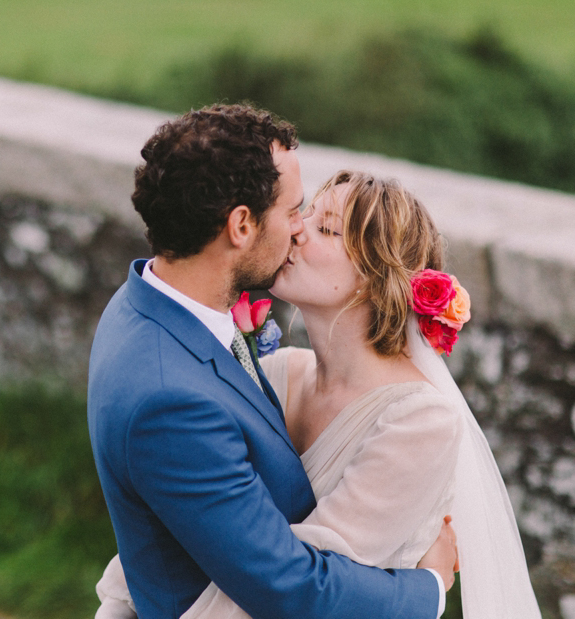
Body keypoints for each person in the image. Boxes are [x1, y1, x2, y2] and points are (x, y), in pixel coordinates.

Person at [95, 170, 542, 619]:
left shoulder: (418, 422)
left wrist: (429, 590)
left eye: (325, 228)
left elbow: (296, 595)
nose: (295, 229)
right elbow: (177, 530)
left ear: (374, 276)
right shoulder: (277, 370)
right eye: (303, 214)